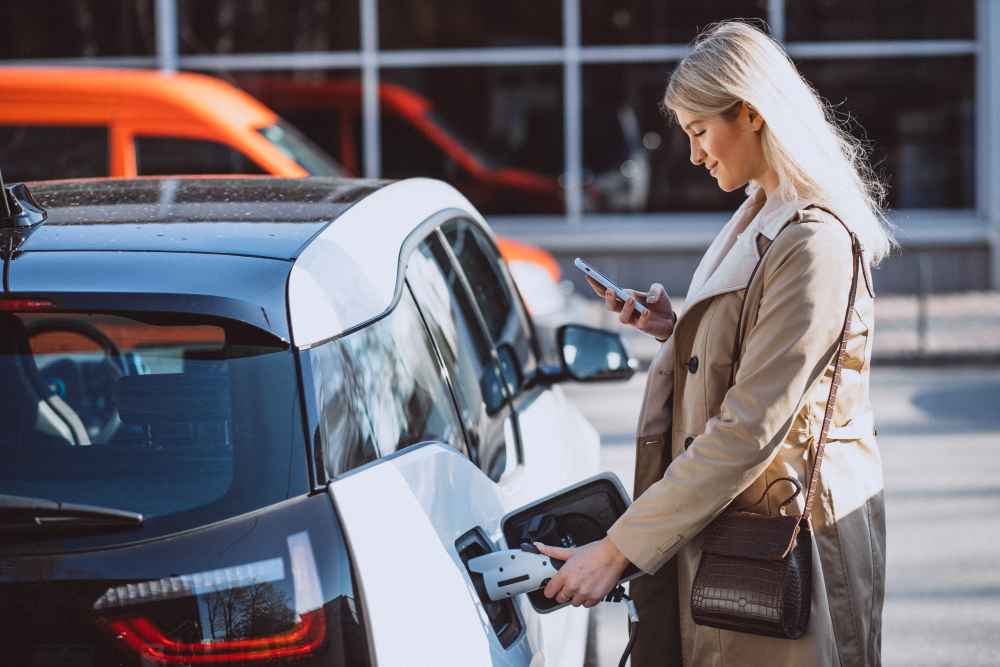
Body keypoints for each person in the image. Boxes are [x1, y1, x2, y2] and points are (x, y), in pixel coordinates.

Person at [535, 21, 891, 667]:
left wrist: (618, 549)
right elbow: (762, 356)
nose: (695, 155)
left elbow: (752, 424)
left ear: (752, 114)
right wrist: (680, 329)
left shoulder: (812, 239)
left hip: (780, 537)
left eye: (701, 131)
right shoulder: (763, 211)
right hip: (740, 524)